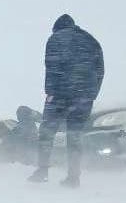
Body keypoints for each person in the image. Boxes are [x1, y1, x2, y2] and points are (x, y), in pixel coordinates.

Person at [29, 14, 104, 186]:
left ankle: (42, 171)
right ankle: (74, 177)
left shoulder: (56, 38)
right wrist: (92, 94)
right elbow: (100, 70)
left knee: (47, 133)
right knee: (75, 136)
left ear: (57, 28)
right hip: (84, 97)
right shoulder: (91, 40)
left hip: (60, 94)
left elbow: (52, 65)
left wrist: (50, 91)